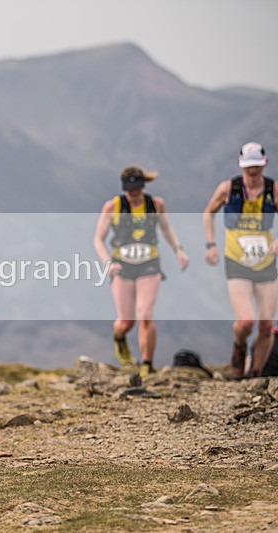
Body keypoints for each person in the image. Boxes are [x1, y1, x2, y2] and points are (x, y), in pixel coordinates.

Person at [94, 166, 189, 376]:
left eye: (137, 188)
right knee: (126, 322)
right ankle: (119, 338)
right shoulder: (112, 207)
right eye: (130, 189)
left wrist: (178, 250)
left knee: (145, 314)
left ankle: (147, 363)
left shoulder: (155, 204)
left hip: (149, 264)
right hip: (122, 266)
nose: (134, 193)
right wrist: (108, 262)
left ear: (143, 186)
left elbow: (165, 228)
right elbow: (98, 239)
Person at [203, 142, 277, 378]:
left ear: (263, 164)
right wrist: (211, 244)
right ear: (240, 164)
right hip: (237, 260)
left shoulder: (272, 189)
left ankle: (254, 373)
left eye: (256, 166)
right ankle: (239, 344)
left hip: (265, 261)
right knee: (246, 321)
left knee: (266, 325)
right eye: (248, 167)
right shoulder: (228, 188)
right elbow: (208, 212)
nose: (252, 172)